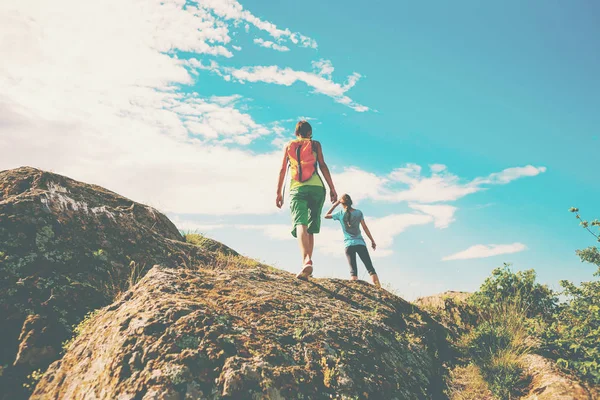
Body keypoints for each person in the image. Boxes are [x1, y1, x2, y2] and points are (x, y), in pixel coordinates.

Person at [276, 120, 338, 280]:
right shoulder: (315, 144)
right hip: (317, 188)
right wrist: (332, 188)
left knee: (300, 223)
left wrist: (278, 193)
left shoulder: (289, 146)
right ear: (310, 133)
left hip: (297, 188)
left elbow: (283, 169)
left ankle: (306, 261)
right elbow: (323, 165)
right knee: (311, 225)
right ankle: (308, 261)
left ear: (296, 133)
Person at [325, 194, 381, 286]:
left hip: (348, 245)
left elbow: (326, 216)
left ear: (341, 203)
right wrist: (372, 240)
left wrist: (335, 204)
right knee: (370, 268)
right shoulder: (358, 213)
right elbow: (365, 228)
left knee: (353, 273)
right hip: (360, 244)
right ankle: (379, 289)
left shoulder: (340, 214)